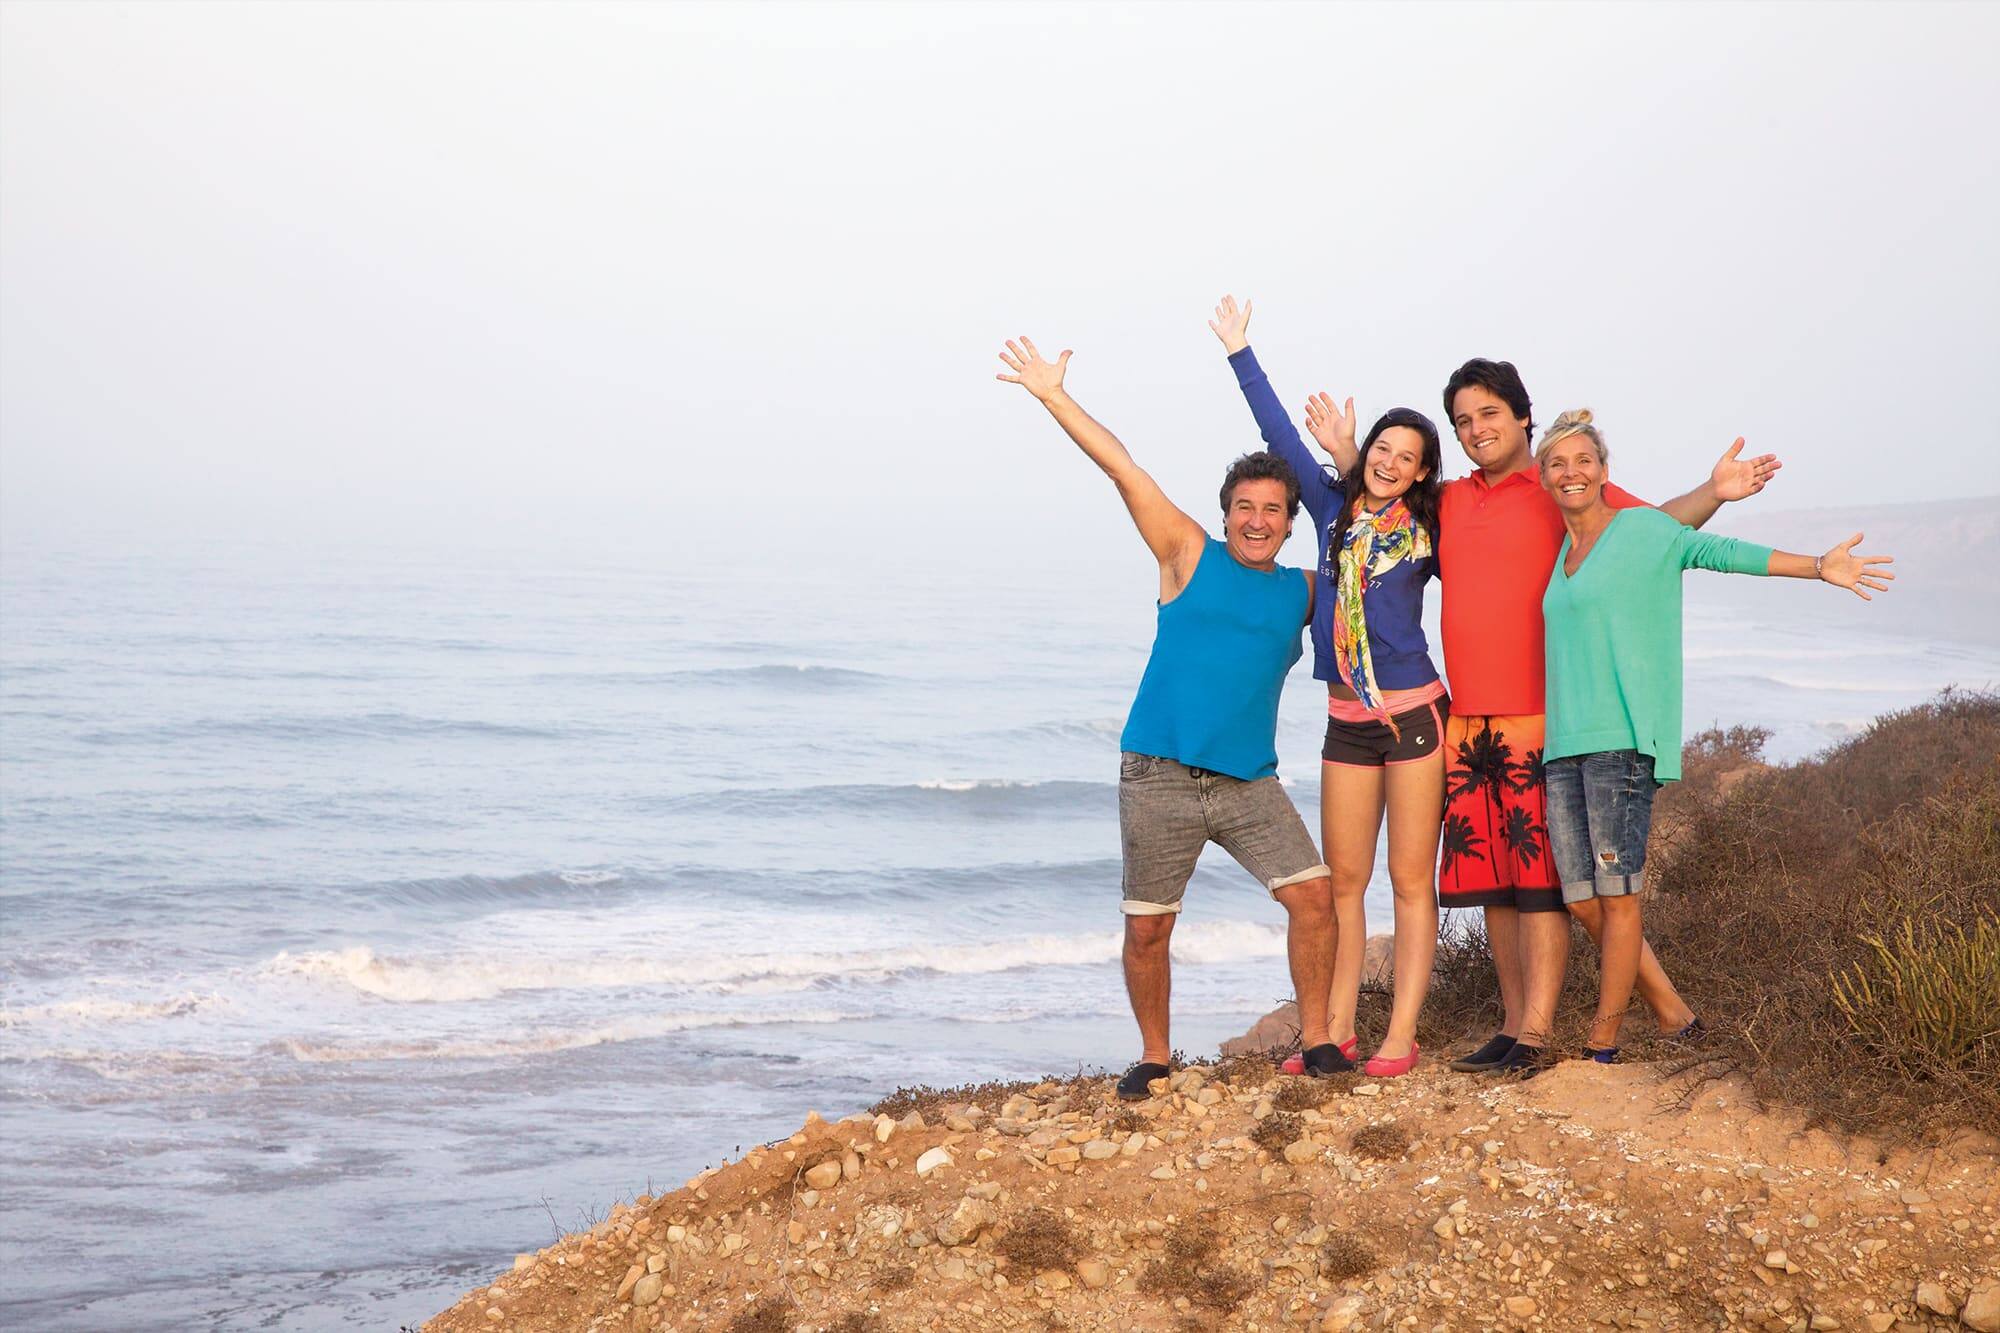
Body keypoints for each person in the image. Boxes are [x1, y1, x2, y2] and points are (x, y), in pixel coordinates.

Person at [1302, 355, 1780, 1076]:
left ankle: (1537, 1032)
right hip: (1467, 723)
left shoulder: (1558, 486)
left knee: (1544, 886)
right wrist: (1347, 453)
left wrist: (1714, 493)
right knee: (1495, 886)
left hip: (1541, 718)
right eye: (1463, 420)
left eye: (1489, 413)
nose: (1475, 429)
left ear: (1523, 416)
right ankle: (1518, 1021)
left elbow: (1653, 531)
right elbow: (1379, 516)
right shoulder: (1452, 501)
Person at [993, 335, 1346, 1098]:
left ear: (1291, 523)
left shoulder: (1309, 591)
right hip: (1157, 773)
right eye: (1245, 508)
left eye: (1273, 511)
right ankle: (1155, 1054)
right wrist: (1053, 394)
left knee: (1313, 895)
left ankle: (1319, 1038)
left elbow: (1376, 552)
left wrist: (1348, 460)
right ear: (1225, 516)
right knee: (1149, 925)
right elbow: (1124, 469)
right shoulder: (1187, 552)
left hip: (1248, 781)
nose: (1258, 520)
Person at [1536, 409, 1892, 1060]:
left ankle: (1603, 1043)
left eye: (1583, 459)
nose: (1572, 471)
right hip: (1564, 749)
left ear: (1605, 471)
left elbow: (1716, 551)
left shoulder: (1641, 528)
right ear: (1544, 479)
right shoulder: (1564, 553)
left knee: (1618, 901)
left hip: (1623, 743)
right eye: (1558, 462)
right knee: (1584, 902)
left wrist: (1817, 565)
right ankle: (1675, 1016)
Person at [1209, 295, 1445, 1077]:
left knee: (1411, 884)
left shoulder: (1429, 528)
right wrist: (1242, 352)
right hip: (1347, 721)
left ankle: (1400, 1034)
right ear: (1367, 449)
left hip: (1415, 718)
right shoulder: (1334, 511)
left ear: (1420, 472)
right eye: (1381, 447)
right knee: (1344, 884)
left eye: (1405, 456)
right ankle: (1334, 1031)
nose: (1389, 461)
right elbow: (1277, 436)